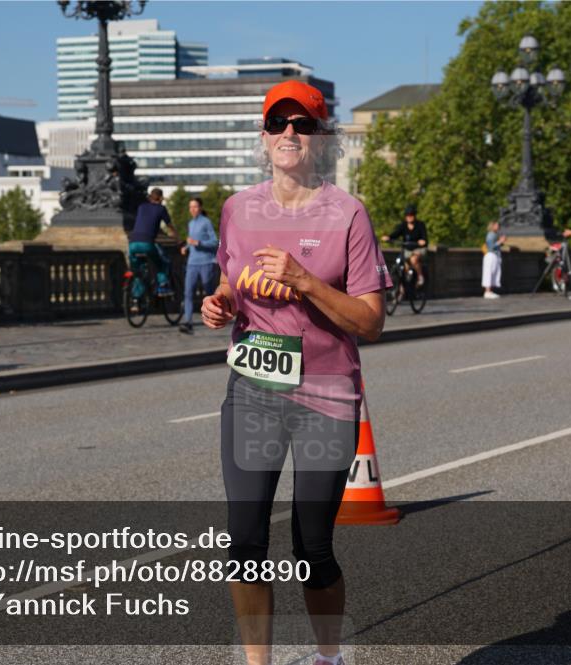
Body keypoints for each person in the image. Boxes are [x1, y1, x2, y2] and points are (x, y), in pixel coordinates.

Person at [201, 80, 389, 665]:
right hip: (253, 390)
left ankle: (328, 657)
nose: (289, 133)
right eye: (278, 124)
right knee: (245, 543)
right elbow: (231, 279)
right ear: (263, 138)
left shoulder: (347, 214)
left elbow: (372, 321)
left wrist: (306, 282)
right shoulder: (236, 209)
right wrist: (222, 302)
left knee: (313, 547)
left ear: (320, 138)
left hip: (326, 397)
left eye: (302, 124)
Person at [178, 197, 218, 334]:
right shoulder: (190, 223)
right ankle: (188, 322)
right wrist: (187, 246)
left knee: (208, 292)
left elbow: (214, 242)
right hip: (192, 263)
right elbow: (192, 240)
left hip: (206, 262)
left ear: (200, 208)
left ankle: (214, 317)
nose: (192, 209)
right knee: (188, 292)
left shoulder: (206, 222)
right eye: (190, 207)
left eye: (195, 207)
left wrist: (199, 243)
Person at [129, 187, 176, 297]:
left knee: (138, 271)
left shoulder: (141, 207)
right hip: (147, 243)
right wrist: (177, 238)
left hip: (132, 243)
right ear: (160, 199)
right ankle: (163, 286)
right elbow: (169, 226)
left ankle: (136, 298)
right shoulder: (161, 208)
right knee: (161, 263)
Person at [380, 204, 428, 286]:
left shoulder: (420, 225)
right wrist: (389, 237)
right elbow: (396, 233)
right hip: (407, 250)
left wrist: (422, 241)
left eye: (411, 215)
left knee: (413, 259)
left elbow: (425, 238)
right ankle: (403, 287)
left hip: (418, 249)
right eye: (407, 215)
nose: (409, 217)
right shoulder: (403, 225)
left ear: (414, 215)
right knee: (403, 264)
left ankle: (420, 277)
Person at [481, 220, 506, 299]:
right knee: (489, 273)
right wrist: (500, 241)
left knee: (492, 272)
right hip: (491, 255)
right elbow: (491, 246)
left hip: (493, 255)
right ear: (493, 226)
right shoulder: (491, 235)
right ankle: (487, 291)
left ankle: (489, 290)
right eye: (497, 225)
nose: (498, 227)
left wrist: (501, 242)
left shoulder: (494, 234)